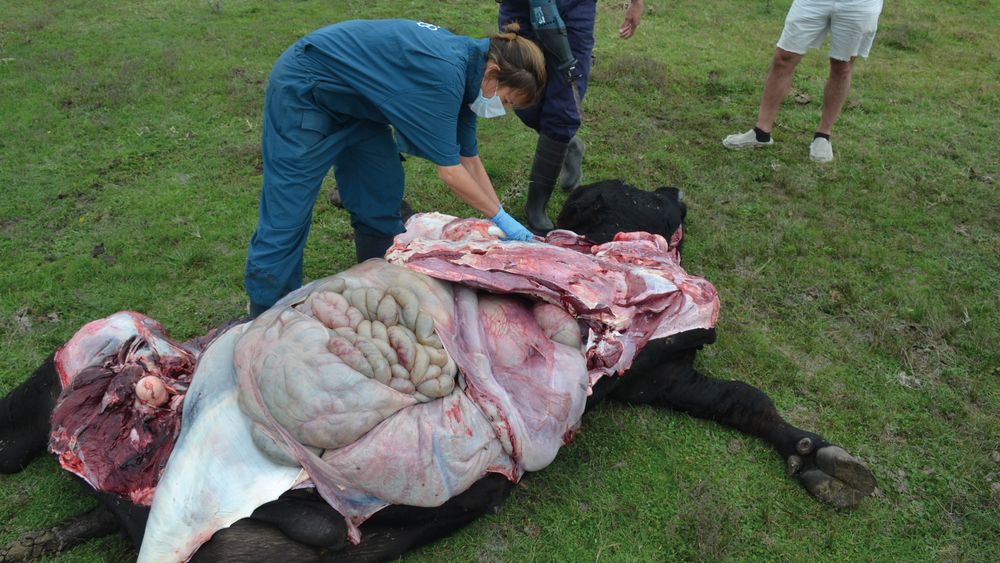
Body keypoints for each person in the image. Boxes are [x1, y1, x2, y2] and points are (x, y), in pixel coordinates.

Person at [244, 19, 547, 317]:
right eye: (507, 101)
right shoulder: (445, 76)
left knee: (380, 188)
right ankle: (265, 314)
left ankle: (375, 282)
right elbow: (451, 172)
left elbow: (469, 159)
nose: (503, 109)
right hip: (308, 88)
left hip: (361, 105)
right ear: (493, 73)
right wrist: (498, 217)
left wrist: (501, 214)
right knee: (288, 212)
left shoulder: (471, 76)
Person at [498, 0, 644, 234]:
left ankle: (536, 206)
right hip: (521, 7)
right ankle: (568, 144)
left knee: (563, 111)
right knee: (523, 96)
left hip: (575, 7)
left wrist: (636, 3)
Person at [722, 0, 883, 162]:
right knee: (783, 57)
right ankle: (761, 132)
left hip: (859, 4)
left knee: (842, 65)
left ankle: (823, 135)